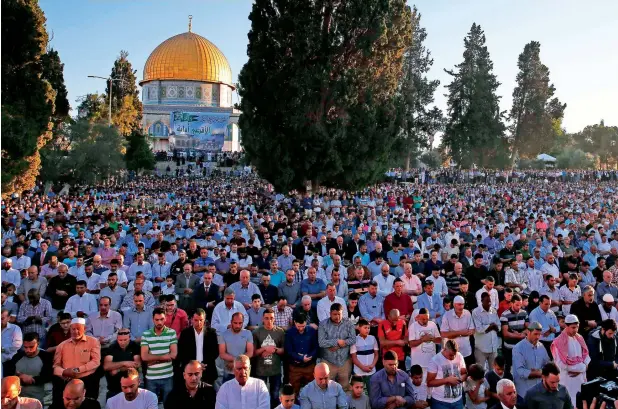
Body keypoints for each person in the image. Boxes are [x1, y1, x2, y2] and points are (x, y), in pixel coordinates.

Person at [51, 317, 101, 406]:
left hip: (87, 382)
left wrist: (77, 370)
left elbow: (96, 362)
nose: (75, 331)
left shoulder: (93, 342)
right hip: (67, 382)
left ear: (85, 329)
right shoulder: (62, 346)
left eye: (78, 329)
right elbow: (56, 367)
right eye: (73, 329)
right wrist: (64, 372)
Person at [550, 314, 590, 407]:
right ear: (566, 326)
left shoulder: (579, 338)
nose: (575, 330)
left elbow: (586, 357)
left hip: (580, 379)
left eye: (577, 327)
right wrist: (580, 368)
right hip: (567, 380)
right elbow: (560, 364)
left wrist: (582, 368)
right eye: (573, 327)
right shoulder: (558, 342)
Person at [140, 307, 177, 403]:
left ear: (165, 319)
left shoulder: (171, 333)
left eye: (161, 319)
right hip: (151, 377)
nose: (159, 322)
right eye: (156, 320)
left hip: (168, 376)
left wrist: (153, 360)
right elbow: (144, 357)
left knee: (168, 404)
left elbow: (173, 355)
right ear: (153, 319)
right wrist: (164, 357)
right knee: (151, 405)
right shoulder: (146, 334)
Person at [3, 332, 52, 403]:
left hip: (39, 399)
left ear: (38, 344)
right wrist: (20, 377)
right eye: (25, 347)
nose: (28, 350)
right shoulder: (17, 357)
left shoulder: (46, 357)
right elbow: (8, 375)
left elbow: (48, 376)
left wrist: (32, 379)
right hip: (19, 399)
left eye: (31, 347)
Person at [318, 303, 355, 391]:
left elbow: (353, 339)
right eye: (335, 314)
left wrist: (339, 345)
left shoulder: (349, 323)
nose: (337, 317)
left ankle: (343, 405)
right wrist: (337, 341)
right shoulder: (323, 324)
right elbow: (321, 342)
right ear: (330, 313)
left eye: (339, 314)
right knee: (328, 388)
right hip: (328, 362)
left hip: (344, 361)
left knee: (345, 387)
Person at [252, 308, 285, 407]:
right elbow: (253, 353)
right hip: (260, 371)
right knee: (260, 397)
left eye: (271, 318)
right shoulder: (256, 332)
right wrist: (264, 348)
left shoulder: (280, 332)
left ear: (274, 319)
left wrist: (273, 349)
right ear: (262, 319)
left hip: (275, 370)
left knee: (275, 396)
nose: (269, 321)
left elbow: (283, 350)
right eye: (266, 318)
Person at [177, 308, 219, 385]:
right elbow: (181, 353)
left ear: (204, 320)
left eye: (201, 320)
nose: (199, 323)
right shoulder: (185, 333)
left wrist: (203, 364)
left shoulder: (211, 333)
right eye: (196, 320)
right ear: (191, 320)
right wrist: (195, 365)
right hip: (190, 371)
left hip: (207, 370)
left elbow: (215, 352)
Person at [511, 321, 550, 400]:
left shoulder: (541, 346)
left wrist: (540, 372)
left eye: (539, 334)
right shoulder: (518, 348)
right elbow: (520, 372)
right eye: (535, 334)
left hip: (539, 392)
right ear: (528, 332)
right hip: (524, 393)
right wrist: (539, 373)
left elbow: (548, 365)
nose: (538, 337)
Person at [101, 327, 140, 400]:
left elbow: (136, 364)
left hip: (130, 387)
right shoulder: (112, 347)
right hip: (114, 388)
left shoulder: (134, 346)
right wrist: (125, 363)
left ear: (129, 338)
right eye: (120, 340)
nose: (122, 342)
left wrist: (118, 369)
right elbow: (106, 366)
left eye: (125, 340)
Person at [427, 340, 467, 409]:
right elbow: (429, 383)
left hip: (458, 400)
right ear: (445, 349)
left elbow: (465, 374)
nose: (453, 357)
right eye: (451, 355)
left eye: (455, 354)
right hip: (440, 402)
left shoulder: (459, 356)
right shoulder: (435, 360)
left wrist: (458, 380)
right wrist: (447, 380)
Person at [285, 314, 318, 395]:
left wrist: (309, 356)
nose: (301, 328)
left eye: (303, 326)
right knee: (294, 390)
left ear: (306, 323)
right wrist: (300, 358)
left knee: (311, 390)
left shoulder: (312, 331)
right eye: (299, 326)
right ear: (294, 322)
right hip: (295, 367)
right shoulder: (289, 333)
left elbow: (316, 347)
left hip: (309, 366)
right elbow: (289, 350)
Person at [218, 311, 254, 382]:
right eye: (235, 323)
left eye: (240, 323)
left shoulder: (248, 333)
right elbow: (222, 354)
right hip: (228, 373)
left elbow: (250, 352)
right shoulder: (224, 334)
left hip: (244, 373)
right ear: (231, 322)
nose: (237, 326)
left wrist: (235, 363)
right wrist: (237, 361)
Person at [441, 295, 476, 367]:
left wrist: (453, 334)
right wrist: (461, 332)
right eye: (459, 304)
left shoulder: (467, 313)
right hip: (452, 353)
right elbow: (444, 334)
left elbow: (471, 331)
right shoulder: (447, 315)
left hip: (466, 351)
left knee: (466, 373)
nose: (461, 307)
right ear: (454, 304)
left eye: (462, 304)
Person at [472, 292, 501, 369]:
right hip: (481, 349)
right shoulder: (476, 312)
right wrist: (491, 326)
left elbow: (499, 327)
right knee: (480, 372)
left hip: (493, 348)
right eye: (487, 301)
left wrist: (489, 328)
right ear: (481, 301)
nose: (489, 303)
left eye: (490, 301)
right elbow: (479, 329)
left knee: (494, 372)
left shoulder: (494, 311)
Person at [408, 308, 441, 372]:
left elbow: (439, 340)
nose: (425, 321)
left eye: (427, 319)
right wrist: (422, 340)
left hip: (431, 363)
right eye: (423, 319)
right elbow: (411, 344)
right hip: (418, 364)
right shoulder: (413, 326)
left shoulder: (433, 325)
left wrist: (432, 338)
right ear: (418, 317)